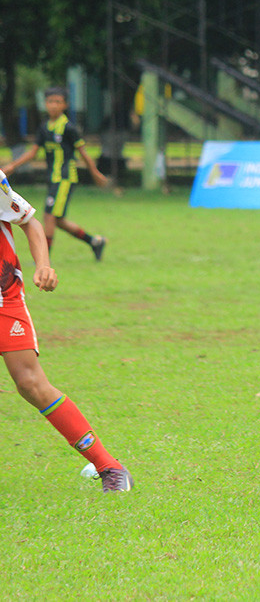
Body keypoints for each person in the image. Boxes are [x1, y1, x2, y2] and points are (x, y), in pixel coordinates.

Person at [0, 170, 133, 492]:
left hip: (3, 297)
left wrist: (43, 264)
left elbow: (29, 220)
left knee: (31, 383)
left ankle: (110, 467)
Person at [2, 87, 109, 260]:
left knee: (48, 216)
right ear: (45, 104)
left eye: (58, 102)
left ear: (65, 105)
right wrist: (12, 166)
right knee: (58, 220)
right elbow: (33, 152)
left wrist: (95, 173)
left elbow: (83, 152)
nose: (53, 105)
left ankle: (45, 261)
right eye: (50, 101)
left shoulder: (68, 128)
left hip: (65, 177)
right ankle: (95, 242)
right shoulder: (45, 128)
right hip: (53, 178)